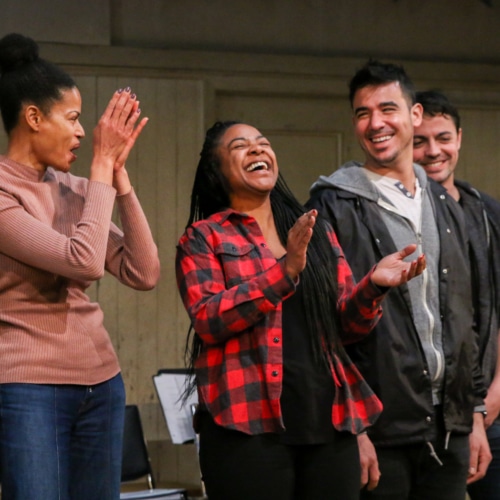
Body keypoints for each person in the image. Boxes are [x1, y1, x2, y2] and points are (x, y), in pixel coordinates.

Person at [175, 120, 425, 500]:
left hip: (328, 421)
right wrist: (284, 272)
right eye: (241, 146)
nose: (258, 150)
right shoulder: (204, 237)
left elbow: (346, 327)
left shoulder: (315, 231)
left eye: (263, 143)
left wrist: (373, 286)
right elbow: (209, 319)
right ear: (217, 170)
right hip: (247, 428)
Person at [306, 60, 491, 499]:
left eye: (387, 108)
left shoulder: (448, 205)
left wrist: (475, 415)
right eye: (362, 113)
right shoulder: (333, 203)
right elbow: (320, 328)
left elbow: (470, 319)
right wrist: (353, 428)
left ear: (415, 115)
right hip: (378, 429)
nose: (375, 123)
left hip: (451, 429)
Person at [0, 33, 160, 500]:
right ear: (33, 117)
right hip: (30, 386)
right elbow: (84, 261)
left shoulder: (71, 187)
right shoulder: (4, 193)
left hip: (101, 382)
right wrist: (101, 168)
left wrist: (120, 181)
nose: (81, 132)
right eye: (71, 118)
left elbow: (143, 272)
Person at [413, 89, 500, 500]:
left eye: (443, 138)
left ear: (460, 138)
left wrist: (490, 402)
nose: (434, 151)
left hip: (493, 406)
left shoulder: (488, 213)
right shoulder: (401, 213)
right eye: (420, 141)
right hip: (427, 412)